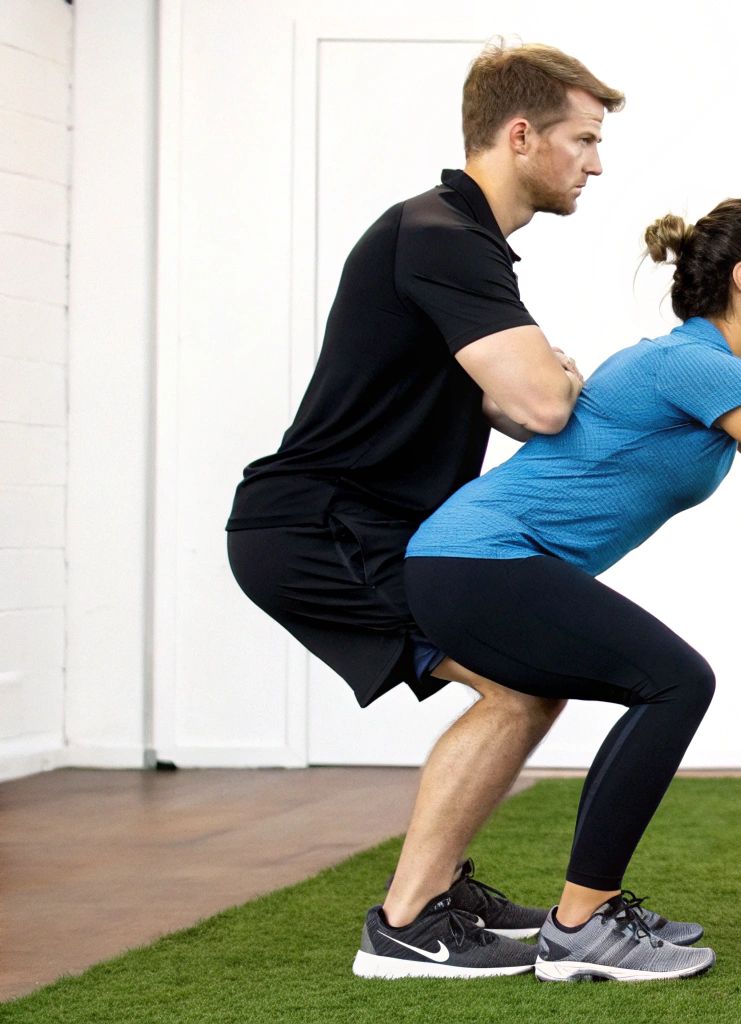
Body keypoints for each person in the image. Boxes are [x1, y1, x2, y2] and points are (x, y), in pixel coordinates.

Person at [400, 198, 741, 982]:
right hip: (478, 560)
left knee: (660, 682)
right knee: (675, 681)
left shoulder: (709, 373)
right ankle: (581, 924)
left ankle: (576, 915)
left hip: (474, 564)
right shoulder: (691, 365)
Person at [225, 42, 625, 979]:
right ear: (521, 135)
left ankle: (432, 892)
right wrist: (552, 374)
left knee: (531, 681)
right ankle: (408, 923)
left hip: (352, 527)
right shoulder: (442, 236)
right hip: (321, 529)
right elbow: (541, 405)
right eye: (584, 139)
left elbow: (504, 403)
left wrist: (540, 379)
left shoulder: (457, 240)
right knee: (524, 685)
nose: (596, 163)